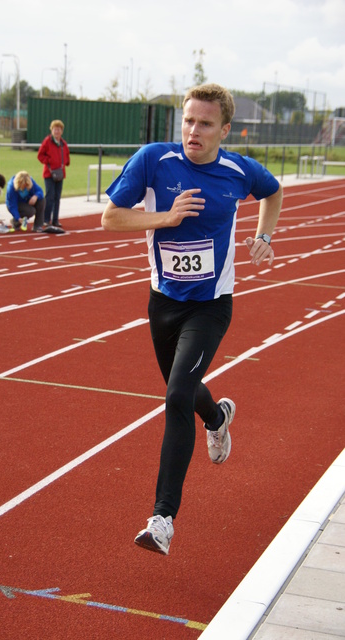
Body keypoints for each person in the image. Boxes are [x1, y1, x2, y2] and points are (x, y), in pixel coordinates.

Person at [101, 83, 283, 556]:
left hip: (211, 304)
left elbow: (273, 191)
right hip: (162, 303)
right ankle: (218, 416)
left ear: (226, 129)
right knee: (186, 390)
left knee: (177, 393)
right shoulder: (154, 161)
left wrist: (265, 235)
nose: (193, 131)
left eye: (204, 123)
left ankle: (162, 519)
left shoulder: (238, 170)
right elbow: (110, 218)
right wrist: (164, 218)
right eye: (187, 120)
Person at [37, 119, 70, 232]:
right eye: (55, 129)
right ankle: (46, 219)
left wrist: (64, 163)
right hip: (49, 173)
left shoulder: (63, 143)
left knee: (57, 197)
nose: (57, 131)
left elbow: (67, 156)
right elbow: (40, 155)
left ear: (62, 131)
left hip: (60, 173)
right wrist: (49, 162)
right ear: (52, 130)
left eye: (59, 129)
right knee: (50, 196)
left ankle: (55, 219)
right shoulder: (47, 141)